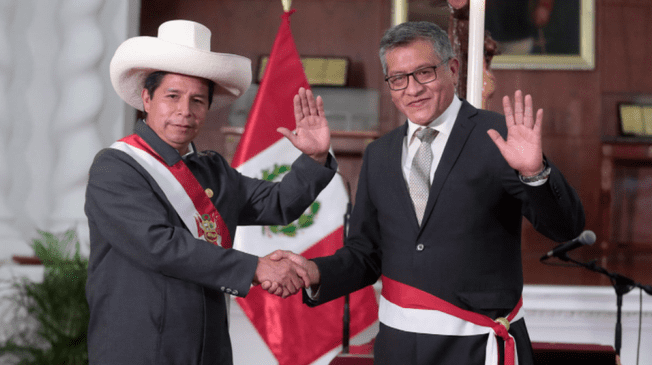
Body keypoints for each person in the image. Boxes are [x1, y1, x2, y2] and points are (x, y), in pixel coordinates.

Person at [272, 21, 585, 365]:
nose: (412, 89)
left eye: (424, 73)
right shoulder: (379, 154)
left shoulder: (498, 135)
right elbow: (366, 253)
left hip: (476, 347)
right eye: (399, 78)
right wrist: (314, 272)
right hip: (399, 348)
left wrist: (534, 172)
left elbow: (566, 227)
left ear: (452, 69)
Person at [84, 20, 336, 365]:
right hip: (140, 348)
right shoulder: (115, 167)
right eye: (172, 97)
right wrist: (255, 268)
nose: (185, 112)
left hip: (209, 348)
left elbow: (279, 205)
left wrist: (314, 157)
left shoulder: (212, 169)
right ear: (146, 97)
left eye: (197, 101)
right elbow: (160, 246)